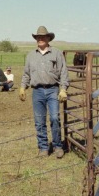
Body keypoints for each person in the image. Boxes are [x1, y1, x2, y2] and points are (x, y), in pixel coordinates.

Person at [19, 26, 69, 158]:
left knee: (54, 118)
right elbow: (26, 74)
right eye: (37, 37)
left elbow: (63, 72)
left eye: (42, 37)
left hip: (53, 90)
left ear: (48, 38)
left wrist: (63, 89)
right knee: (39, 120)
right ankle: (43, 148)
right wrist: (22, 87)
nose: (40, 39)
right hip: (37, 91)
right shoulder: (30, 55)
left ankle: (58, 146)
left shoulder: (56, 53)